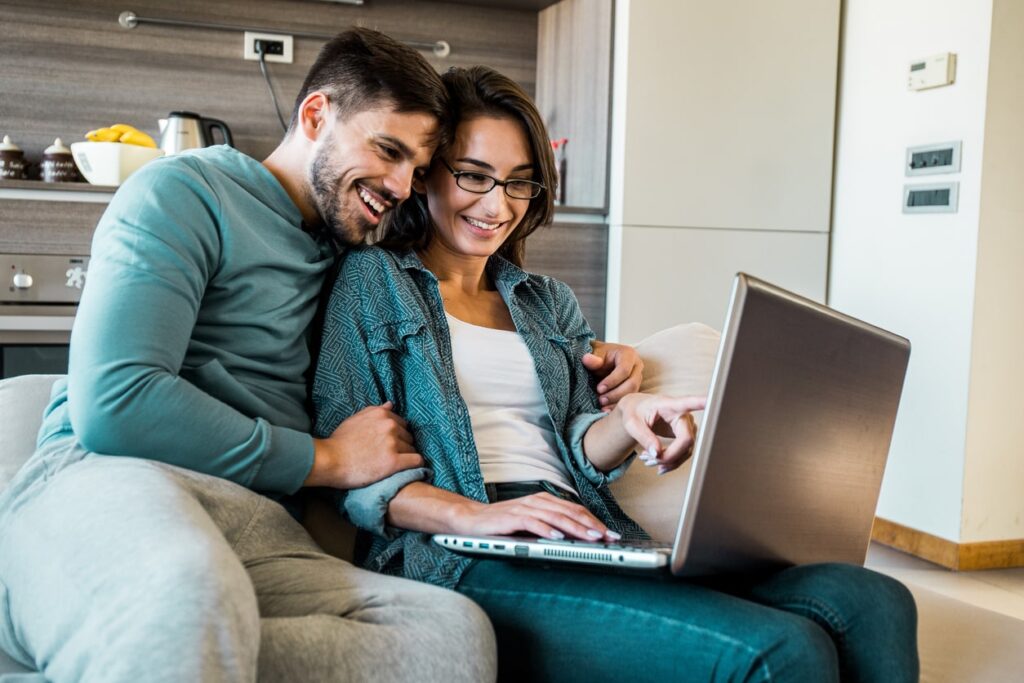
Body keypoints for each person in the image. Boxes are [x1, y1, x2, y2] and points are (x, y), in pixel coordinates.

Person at [312, 65, 920, 682]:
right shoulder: (372, 281)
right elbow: (355, 474)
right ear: (425, 175)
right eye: (474, 175)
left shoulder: (546, 301)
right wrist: (475, 517)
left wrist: (627, 420)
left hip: (581, 529)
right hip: (460, 554)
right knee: (783, 649)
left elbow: (581, 447)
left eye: (519, 182)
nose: (497, 205)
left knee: (872, 600)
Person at [0, 29, 498, 683]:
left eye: (419, 169)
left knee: (450, 635)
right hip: (111, 483)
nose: (403, 185)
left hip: (257, 526)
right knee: (187, 590)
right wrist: (327, 460)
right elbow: (116, 403)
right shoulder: (184, 192)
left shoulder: (355, 257)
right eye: (388, 150)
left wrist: (590, 360)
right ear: (316, 116)